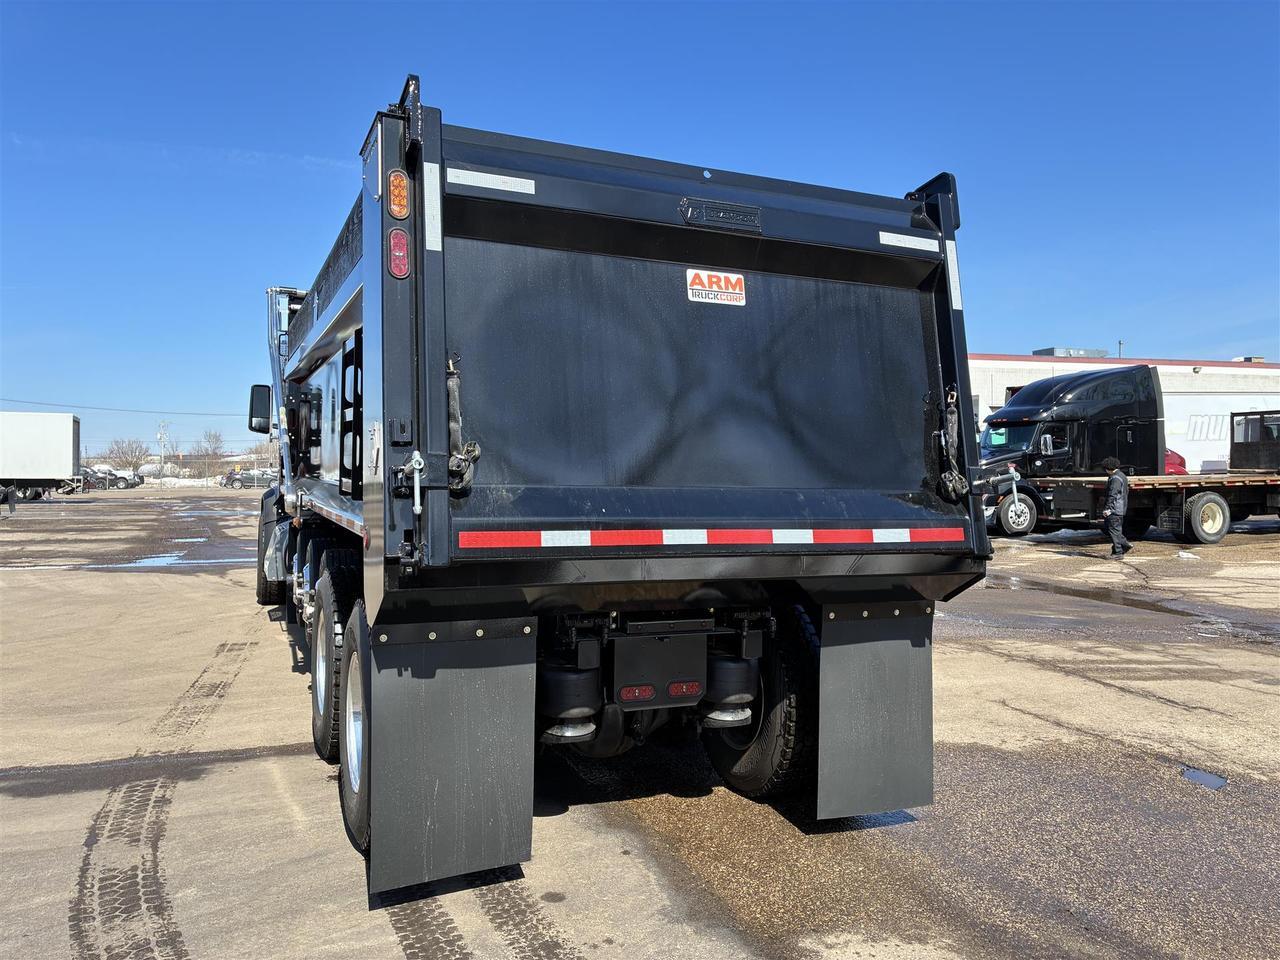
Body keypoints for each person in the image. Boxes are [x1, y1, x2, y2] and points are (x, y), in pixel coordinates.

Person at [1100, 457, 1132, 558]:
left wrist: (1107, 509)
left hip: (1115, 509)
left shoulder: (1115, 478)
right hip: (1121, 508)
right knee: (1116, 530)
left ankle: (1119, 552)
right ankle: (1122, 547)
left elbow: (1112, 495)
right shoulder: (1122, 475)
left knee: (1113, 530)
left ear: (1108, 468)